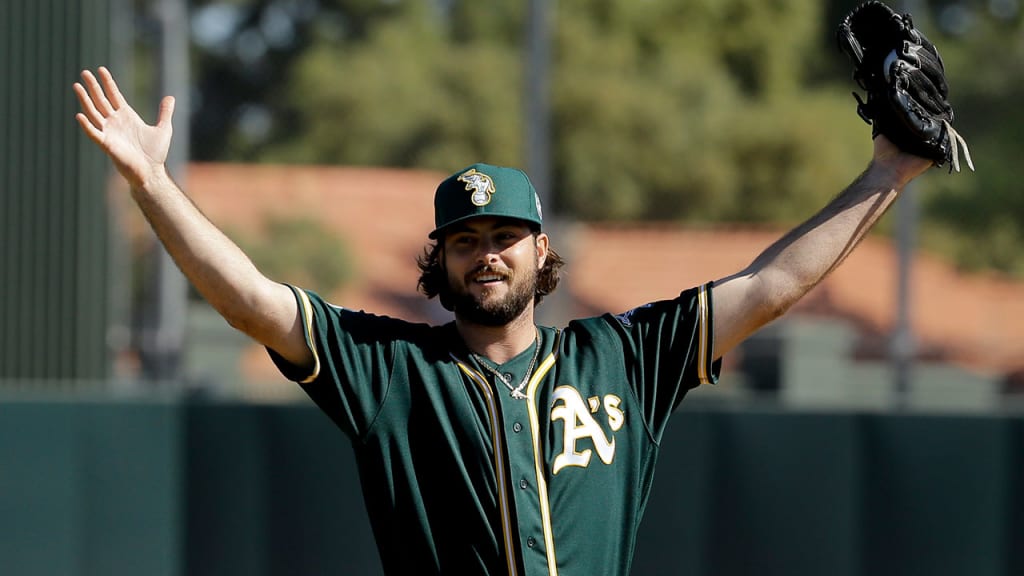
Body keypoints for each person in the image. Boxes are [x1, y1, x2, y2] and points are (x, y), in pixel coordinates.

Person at [73, 66, 932, 576]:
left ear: (540, 251)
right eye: (467, 238)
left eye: (506, 237)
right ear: (441, 259)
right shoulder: (389, 369)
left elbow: (773, 282)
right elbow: (249, 299)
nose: (488, 253)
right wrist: (153, 185)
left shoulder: (623, 357)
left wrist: (889, 171)